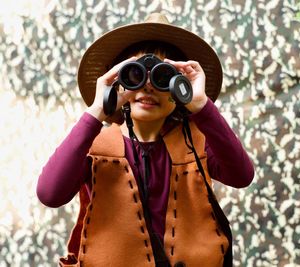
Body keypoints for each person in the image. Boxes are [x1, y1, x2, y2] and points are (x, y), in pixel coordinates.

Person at [37, 13, 254, 267]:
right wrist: (97, 110)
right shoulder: (96, 146)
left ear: (179, 88)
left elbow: (242, 175)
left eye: (162, 77)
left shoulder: (197, 143)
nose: (148, 86)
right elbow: (49, 193)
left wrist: (201, 105)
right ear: (117, 82)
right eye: (135, 75)